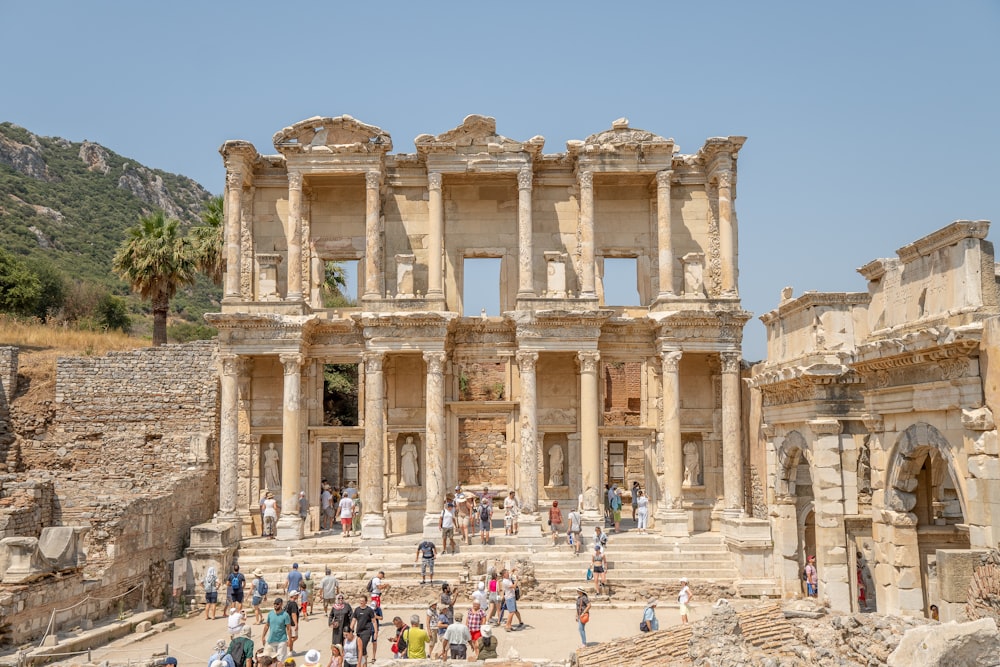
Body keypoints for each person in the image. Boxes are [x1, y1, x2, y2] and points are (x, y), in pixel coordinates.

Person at [351, 593, 378, 666]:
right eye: (360, 601)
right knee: (360, 648)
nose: (361, 602)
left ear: (366, 602)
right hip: (359, 632)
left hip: (367, 631)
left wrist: (375, 632)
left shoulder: (369, 610)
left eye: (362, 601)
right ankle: (364, 662)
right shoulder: (357, 610)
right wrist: (350, 630)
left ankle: (363, 664)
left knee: (362, 647)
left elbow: (374, 621)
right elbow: (354, 620)